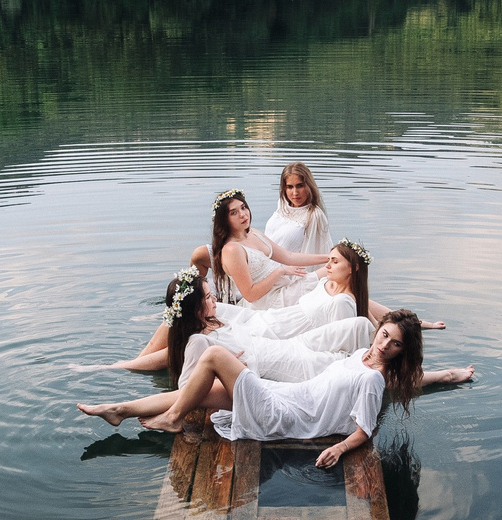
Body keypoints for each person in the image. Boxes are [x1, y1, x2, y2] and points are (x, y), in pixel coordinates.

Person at [79, 311, 472, 466]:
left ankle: (171, 419)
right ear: (378, 330)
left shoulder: (372, 379)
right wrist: (454, 373)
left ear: (402, 351)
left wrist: (337, 447)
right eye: (384, 334)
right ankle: (121, 408)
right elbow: (422, 378)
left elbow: (365, 430)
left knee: (214, 356)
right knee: (207, 391)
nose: (384, 344)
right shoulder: (361, 356)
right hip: (283, 397)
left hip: (282, 415)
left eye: (395, 343)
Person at [118, 241, 442, 367]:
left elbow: (338, 339)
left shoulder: (344, 303)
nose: (327, 265)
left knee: (201, 334)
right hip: (263, 319)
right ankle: (141, 357)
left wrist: (412, 326)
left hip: (274, 336)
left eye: (334, 262)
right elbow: (369, 303)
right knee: (186, 314)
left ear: (353, 269)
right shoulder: (327, 281)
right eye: (328, 260)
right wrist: (416, 323)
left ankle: (131, 366)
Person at [205, 189, 323, 309]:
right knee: (326, 275)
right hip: (270, 302)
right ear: (224, 220)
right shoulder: (232, 250)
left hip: (285, 290)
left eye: (243, 207)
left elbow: (289, 257)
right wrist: (280, 271)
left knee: (331, 271)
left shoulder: (253, 233)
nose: (243, 214)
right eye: (233, 213)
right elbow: (250, 295)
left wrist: (328, 258)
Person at [264, 162, 333, 262]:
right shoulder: (281, 205)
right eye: (290, 187)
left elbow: (316, 252)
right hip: (266, 266)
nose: (295, 193)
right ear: (284, 188)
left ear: (309, 186)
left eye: (300, 186)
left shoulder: (314, 215)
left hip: (290, 273)